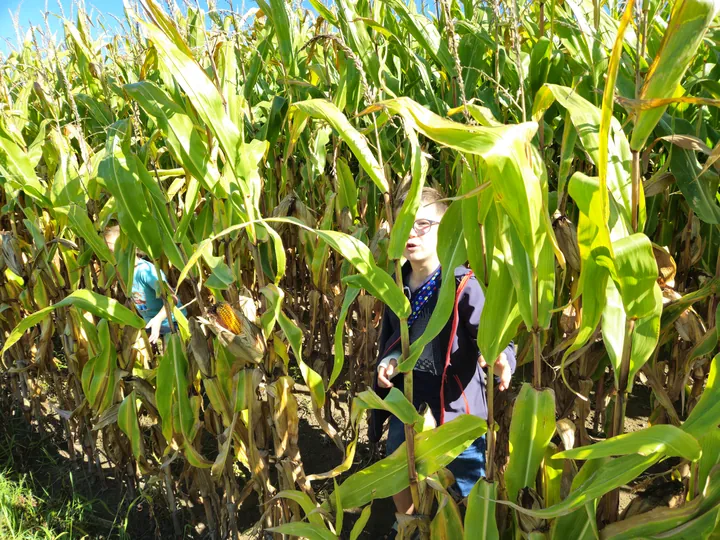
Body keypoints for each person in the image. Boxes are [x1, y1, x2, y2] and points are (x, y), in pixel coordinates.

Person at [369, 187, 516, 524]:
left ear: (445, 228)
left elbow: (494, 336)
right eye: (404, 223)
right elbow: (391, 339)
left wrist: (502, 358)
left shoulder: (463, 284)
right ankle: (410, 528)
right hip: (409, 404)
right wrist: (387, 363)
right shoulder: (396, 284)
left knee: (464, 493)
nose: (410, 233)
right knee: (400, 473)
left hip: (456, 412)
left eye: (422, 224)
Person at [103, 225, 186, 343]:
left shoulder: (146, 271)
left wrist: (157, 320)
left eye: (111, 251)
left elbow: (173, 298)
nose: (108, 256)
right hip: (152, 326)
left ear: (127, 249)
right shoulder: (124, 273)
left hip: (172, 324)